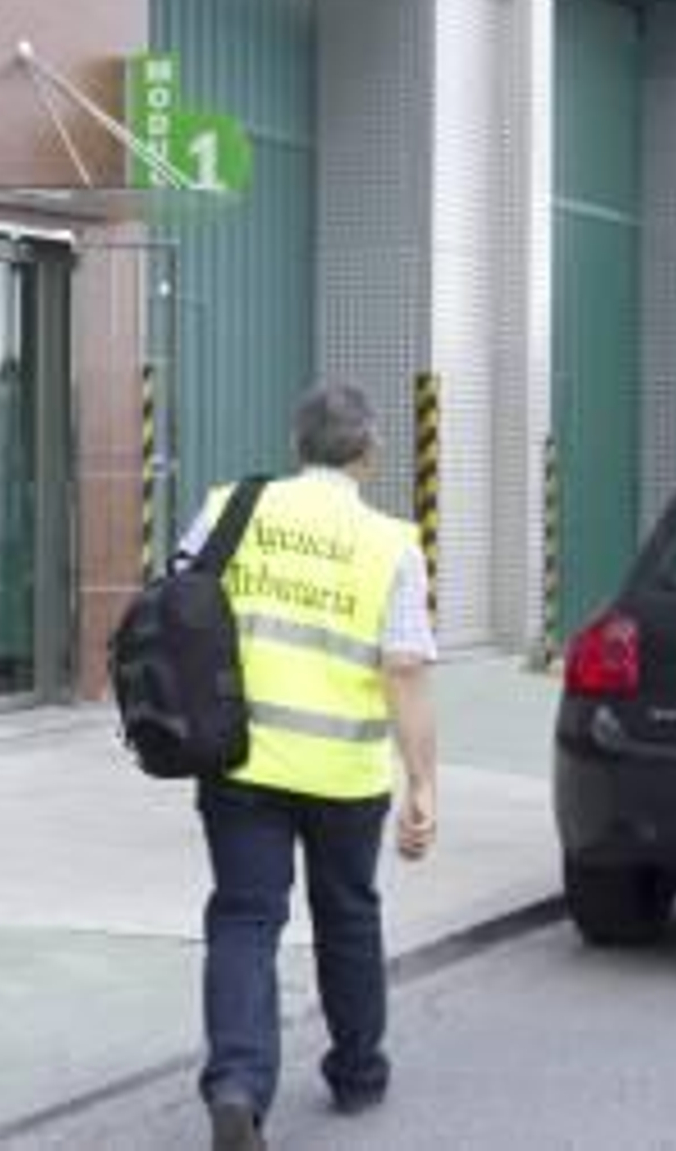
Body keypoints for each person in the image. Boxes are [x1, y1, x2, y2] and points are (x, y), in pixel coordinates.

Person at [180, 381, 439, 1151]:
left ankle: (236, 1084)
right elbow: (405, 672)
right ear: (369, 453)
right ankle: (357, 1070)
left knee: (245, 919)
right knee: (349, 918)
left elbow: (179, 603)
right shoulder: (391, 543)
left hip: (242, 762)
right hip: (345, 776)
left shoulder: (233, 507)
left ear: (298, 445)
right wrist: (422, 781)